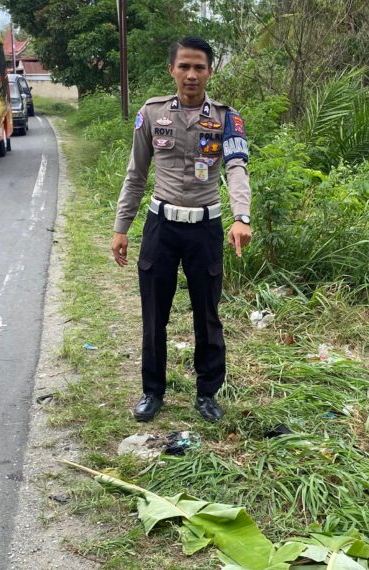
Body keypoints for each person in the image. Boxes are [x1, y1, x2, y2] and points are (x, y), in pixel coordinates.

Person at [111, 36, 253, 422]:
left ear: (210, 71)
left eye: (199, 67)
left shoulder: (226, 118)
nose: (191, 74)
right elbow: (136, 174)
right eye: (184, 66)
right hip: (161, 227)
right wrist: (122, 227)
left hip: (205, 229)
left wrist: (241, 217)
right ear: (171, 69)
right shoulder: (152, 113)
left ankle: (207, 393)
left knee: (207, 314)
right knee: (154, 313)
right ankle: (152, 391)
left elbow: (236, 168)